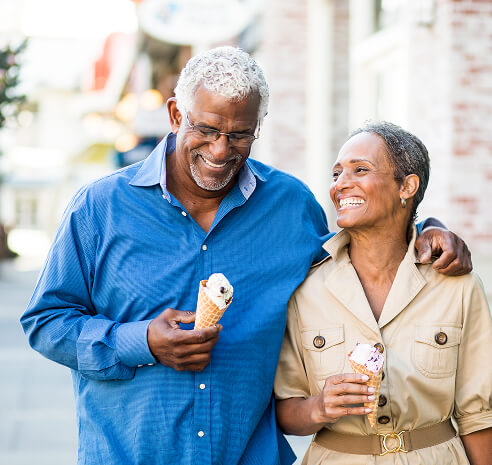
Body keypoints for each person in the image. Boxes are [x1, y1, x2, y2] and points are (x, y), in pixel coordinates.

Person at [21, 47, 471, 465]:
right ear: (177, 115)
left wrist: (426, 227)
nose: (220, 150)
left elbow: (360, 250)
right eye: (206, 129)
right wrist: (141, 341)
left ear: (259, 126)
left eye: (240, 135)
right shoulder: (101, 207)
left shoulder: (290, 206)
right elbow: (45, 321)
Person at [274, 122, 492, 465]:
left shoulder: (459, 286)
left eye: (360, 169)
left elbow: (478, 416)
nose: (341, 184)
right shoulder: (306, 289)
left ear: (407, 186)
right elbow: (286, 409)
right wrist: (320, 407)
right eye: (337, 173)